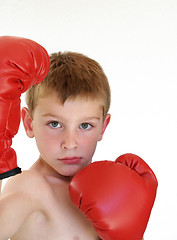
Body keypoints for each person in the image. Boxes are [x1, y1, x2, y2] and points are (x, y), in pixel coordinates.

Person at [0, 38, 157, 240]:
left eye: (85, 126)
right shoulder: (31, 188)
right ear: (29, 123)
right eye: (55, 124)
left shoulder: (109, 190)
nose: (70, 143)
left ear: (103, 127)